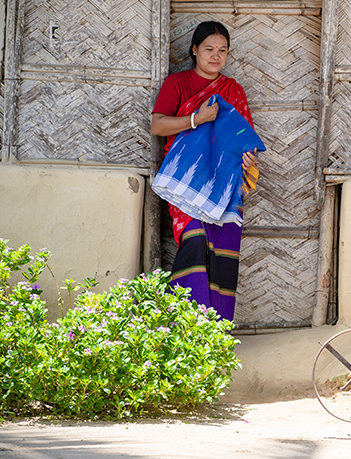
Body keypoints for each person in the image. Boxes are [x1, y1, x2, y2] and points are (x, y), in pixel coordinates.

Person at [151, 21, 257, 321]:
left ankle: (216, 332)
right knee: (195, 240)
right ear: (194, 49)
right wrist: (197, 119)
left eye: (222, 50)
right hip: (185, 181)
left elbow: (243, 138)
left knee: (223, 255)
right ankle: (183, 324)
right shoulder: (178, 84)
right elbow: (158, 125)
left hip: (224, 185)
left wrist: (249, 162)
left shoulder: (233, 90)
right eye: (209, 49)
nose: (216, 55)